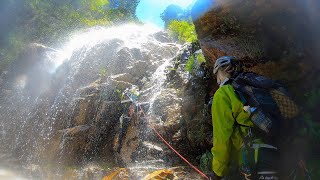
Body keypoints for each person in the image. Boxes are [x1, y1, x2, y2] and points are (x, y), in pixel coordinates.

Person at [210, 56, 279, 180]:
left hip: (252, 157)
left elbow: (221, 137)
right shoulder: (253, 88)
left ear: (220, 72)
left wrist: (217, 172)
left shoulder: (223, 94)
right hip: (279, 150)